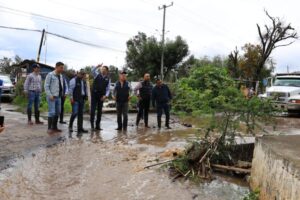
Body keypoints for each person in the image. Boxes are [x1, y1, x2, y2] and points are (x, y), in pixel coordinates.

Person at [44, 62, 65, 134]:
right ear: (56, 67)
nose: (62, 69)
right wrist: (50, 95)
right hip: (52, 97)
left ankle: (55, 127)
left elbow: (61, 86)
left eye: (63, 68)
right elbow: (46, 86)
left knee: (58, 112)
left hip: (58, 97)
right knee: (52, 112)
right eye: (61, 67)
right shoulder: (50, 75)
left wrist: (63, 94)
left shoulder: (61, 76)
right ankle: (49, 128)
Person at [90, 64, 111, 131]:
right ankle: (92, 126)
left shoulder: (108, 79)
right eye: (102, 69)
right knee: (93, 111)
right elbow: (92, 71)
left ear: (107, 71)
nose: (102, 70)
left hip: (101, 96)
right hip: (94, 95)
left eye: (104, 69)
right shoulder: (97, 75)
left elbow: (108, 89)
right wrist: (97, 66)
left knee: (99, 111)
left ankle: (97, 125)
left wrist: (105, 95)